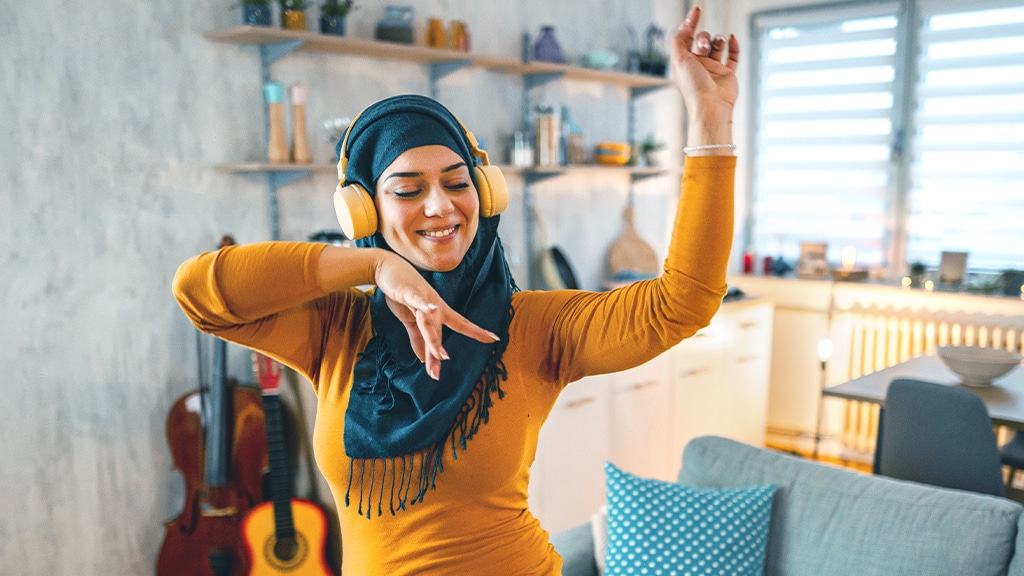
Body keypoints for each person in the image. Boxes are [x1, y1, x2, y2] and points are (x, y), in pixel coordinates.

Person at [173, 6, 739, 575]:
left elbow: (682, 302)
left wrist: (709, 121)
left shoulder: (534, 327)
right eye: (408, 190)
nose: (441, 206)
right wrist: (374, 265)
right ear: (363, 210)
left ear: (485, 193)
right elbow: (199, 292)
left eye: (456, 182)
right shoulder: (335, 331)